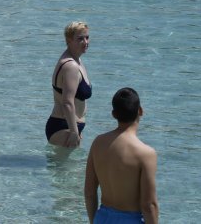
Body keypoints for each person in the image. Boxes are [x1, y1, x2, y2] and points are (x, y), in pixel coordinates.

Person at [84, 88, 159, 224]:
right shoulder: (146, 154)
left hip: (102, 218)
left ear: (114, 114)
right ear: (140, 111)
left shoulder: (98, 143)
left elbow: (89, 192)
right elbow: (149, 206)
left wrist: (94, 221)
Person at [46, 22, 91, 148]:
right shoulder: (70, 66)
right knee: (66, 168)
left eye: (87, 37)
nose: (85, 42)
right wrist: (74, 131)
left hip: (70, 126)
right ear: (69, 40)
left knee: (70, 168)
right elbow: (67, 102)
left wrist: (76, 129)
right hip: (64, 127)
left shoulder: (77, 60)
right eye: (80, 38)